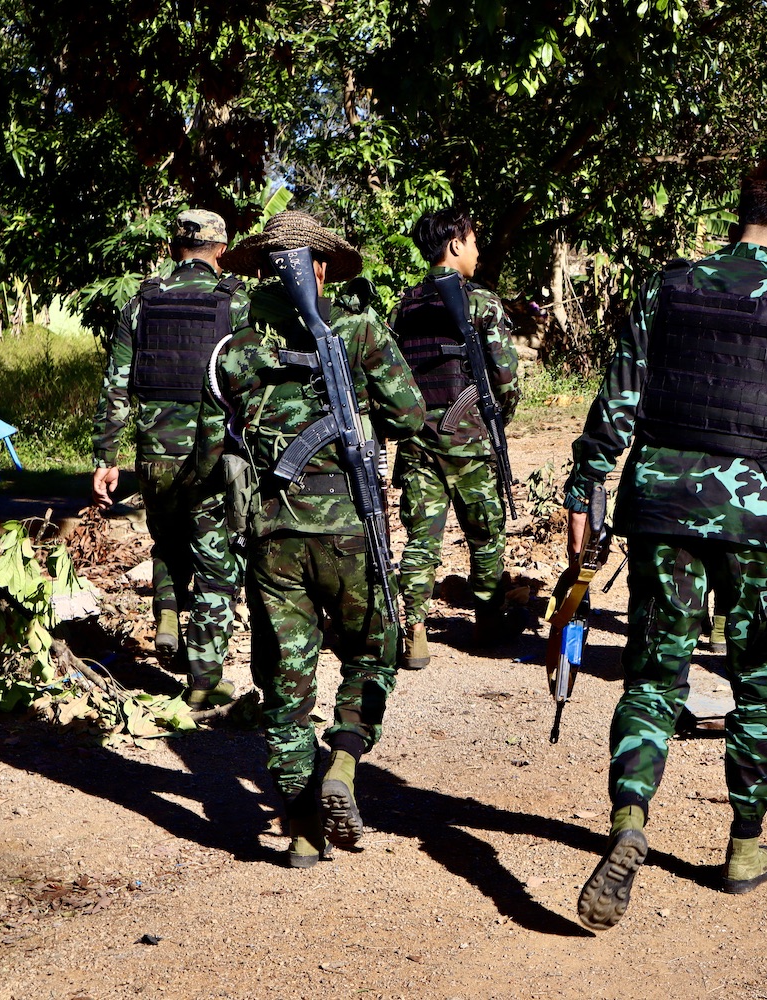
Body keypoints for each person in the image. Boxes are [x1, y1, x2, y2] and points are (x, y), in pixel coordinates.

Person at [563, 162, 767, 930]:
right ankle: (745, 846)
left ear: (742, 220)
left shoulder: (668, 288)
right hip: (758, 523)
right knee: (757, 677)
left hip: (660, 507)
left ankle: (630, 823)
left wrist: (584, 492)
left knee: (654, 676)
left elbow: (616, 400)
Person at [209, 211, 425, 867]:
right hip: (350, 529)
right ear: (322, 267)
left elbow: (220, 425)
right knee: (371, 652)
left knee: (285, 683)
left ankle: (303, 828)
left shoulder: (238, 348)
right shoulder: (357, 331)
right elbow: (412, 414)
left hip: (274, 534)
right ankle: (345, 762)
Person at [91, 209, 247, 707]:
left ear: (175, 247)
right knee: (216, 562)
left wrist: (105, 457)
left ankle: (165, 611)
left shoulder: (142, 303)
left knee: (167, 539)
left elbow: (115, 387)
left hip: (153, 454)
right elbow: (251, 384)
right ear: (220, 250)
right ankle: (203, 678)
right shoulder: (236, 304)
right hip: (212, 456)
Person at [388, 207, 521, 669]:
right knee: (485, 532)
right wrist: (493, 419)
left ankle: (415, 630)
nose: (479, 250)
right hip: (469, 442)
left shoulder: (403, 305)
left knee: (422, 538)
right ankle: (487, 620)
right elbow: (505, 377)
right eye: (474, 239)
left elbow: (393, 378)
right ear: (456, 244)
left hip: (418, 440)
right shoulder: (482, 303)